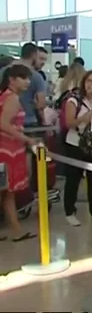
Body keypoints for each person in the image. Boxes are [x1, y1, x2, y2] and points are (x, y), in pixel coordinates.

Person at [0, 64, 38, 242]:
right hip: (7, 149)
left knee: (7, 192)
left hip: (8, 148)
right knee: (7, 190)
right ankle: (16, 229)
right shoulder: (12, 98)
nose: (28, 82)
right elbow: (4, 124)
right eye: (23, 78)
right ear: (12, 80)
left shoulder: (6, 96)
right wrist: (26, 139)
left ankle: (16, 229)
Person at [62, 70, 92, 227]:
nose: (90, 84)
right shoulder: (74, 100)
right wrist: (83, 119)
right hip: (75, 144)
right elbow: (69, 123)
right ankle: (69, 211)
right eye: (88, 80)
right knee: (73, 178)